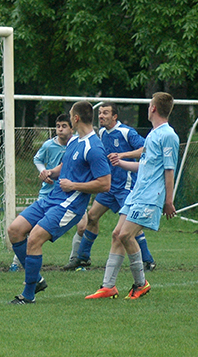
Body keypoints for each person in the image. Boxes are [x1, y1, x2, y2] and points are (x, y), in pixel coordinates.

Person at [7, 101, 111, 304]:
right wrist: (51, 172)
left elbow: (105, 183)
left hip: (70, 205)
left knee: (34, 238)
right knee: (15, 230)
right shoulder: (74, 141)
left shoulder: (94, 147)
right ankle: (36, 279)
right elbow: (66, 165)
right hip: (52, 198)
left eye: (71, 115)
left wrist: (74, 186)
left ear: (76, 118)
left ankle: (28, 296)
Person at [86, 92, 178, 300]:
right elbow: (144, 166)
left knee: (126, 235)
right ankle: (108, 286)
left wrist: (168, 200)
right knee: (117, 234)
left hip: (150, 196)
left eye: (149, 105)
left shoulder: (168, 135)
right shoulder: (154, 134)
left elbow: (169, 170)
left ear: (154, 108)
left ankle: (141, 283)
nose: (148, 108)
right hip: (137, 194)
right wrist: (120, 161)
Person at [64, 102, 155, 271]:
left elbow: (146, 149)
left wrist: (123, 155)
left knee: (130, 224)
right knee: (92, 217)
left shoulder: (126, 132)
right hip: (109, 187)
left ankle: (147, 260)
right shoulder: (102, 134)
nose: (101, 116)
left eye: (105, 113)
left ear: (115, 117)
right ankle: (82, 258)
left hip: (126, 187)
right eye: (99, 113)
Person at [10, 113, 73, 272]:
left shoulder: (77, 145)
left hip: (70, 195)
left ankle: (77, 261)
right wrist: (44, 172)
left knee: (84, 225)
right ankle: (17, 262)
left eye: (64, 126)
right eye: (58, 126)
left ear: (72, 128)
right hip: (48, 193)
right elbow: (37, 159)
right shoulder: (48, 145)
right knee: (30, 230)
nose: (60, 129)